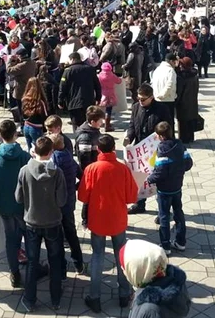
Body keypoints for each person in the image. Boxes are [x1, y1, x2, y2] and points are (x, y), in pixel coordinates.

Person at [78, 134, 139, 313]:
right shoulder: (123, 169)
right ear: (114, 149)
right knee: (121, 257)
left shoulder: (91, 169)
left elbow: (82, 196)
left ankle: (95, 297)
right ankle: (123, 294)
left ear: (98, 149)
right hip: (118, 219)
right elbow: (131, 197)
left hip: (97, 219)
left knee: (97, 255)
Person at [15, 136, 67, 312]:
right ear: (51, 152)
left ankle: (29, 300)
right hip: (53, 222)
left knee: (32, 261)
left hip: (31, 223)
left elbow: (18, 198)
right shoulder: (57, 173)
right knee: (55, 260)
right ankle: (56, 299)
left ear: (34, 151)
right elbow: (61, 201)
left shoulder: (24, 170)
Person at [0, 120, 31, 288]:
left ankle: (14, 273)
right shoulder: (24, 156)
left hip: (4, 206)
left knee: (11, 240)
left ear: (0, 136)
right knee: (29, 236)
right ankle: (33, 266)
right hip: (23, 206)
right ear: (15, 134)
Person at [125, 84, 174, 215]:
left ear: (151, 97)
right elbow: (132, 125)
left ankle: (163, 210)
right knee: (140, 179)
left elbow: (168, 128)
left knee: (158, 179)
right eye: (138, 98)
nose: (140, 101)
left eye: (143, 99)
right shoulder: (136, 107)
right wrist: (129, 137)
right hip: (141, 150)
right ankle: (139, 204)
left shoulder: (162, 109)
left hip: (157, 150)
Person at [147, 122, 193, 255]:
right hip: (177, 186)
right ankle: (181, 242)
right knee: (179, 213)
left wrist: (149, 180)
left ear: (160, 136)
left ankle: (165, 245)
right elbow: (188, 163)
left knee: (164, 216)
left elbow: (160, 172)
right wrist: (178, 171)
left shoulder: (161, 149)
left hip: (164, 190)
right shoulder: (180, 145)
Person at [119, 239, 191, 318]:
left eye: (125, 268)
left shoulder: (149, 310)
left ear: (138, 271)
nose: (123, 271)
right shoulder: (174, 281)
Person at [49, 133, 85, 278]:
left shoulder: (53, 161)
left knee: (57, 237)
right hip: (69, 202)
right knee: (71, 234)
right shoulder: (69, 157)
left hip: (56, 205)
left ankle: (61, 268)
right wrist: (74, 187)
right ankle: (79, 264)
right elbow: (82, 176)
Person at [58, 52, 102, 131]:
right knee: (89, 124)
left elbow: (62, 87)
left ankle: (79, 139)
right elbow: (97, 85)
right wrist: (98, 98)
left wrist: (60, 101)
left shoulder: (68, 71)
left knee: (76, 125)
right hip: (88, 101)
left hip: (73, 103)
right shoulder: (90, 69)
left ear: (72, 59)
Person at [174, 57, 199, 145]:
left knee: (182, 121)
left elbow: (179, 91)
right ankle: (191, 137)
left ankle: (183, 139)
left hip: (183, 102)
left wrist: (176, 101)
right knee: (191, 120)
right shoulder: (195, 75)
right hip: (192, 100)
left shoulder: (182, 77)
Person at [7, 47, 37, 117]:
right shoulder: (32, 62)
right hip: (30, 88)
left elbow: (9, 70)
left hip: (21, 90)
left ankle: (22, 124)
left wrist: (9, 61)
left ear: (20, 56)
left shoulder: (22, 65)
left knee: (22, 110)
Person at [75, 105, 106, 174]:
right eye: (100, 121)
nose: (102, 123)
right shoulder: (85, 138)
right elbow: (85, 160)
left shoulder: (94, 130)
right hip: (91, 171)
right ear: (92, 122)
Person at [21, 77, 48, 153]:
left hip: (26, 126)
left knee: (30, 149)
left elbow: (22, 113)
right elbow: (45, 116)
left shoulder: (24, 99)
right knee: (38, 151)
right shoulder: (40, 102)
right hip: (36, 128)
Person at [151, 53, 178, 121]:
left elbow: (152, 83)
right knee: (168, 123)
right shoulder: (171, 71)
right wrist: (163, 95)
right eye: (175, 62)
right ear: (171, 61)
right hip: (168, 100)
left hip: (157, 98)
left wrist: (156, 95)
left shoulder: (157, 69)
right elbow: (170, 85)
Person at [98, 62, 122, 132]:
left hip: (102, 94)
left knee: (101, 109)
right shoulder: (112, 75)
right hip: (111, 94)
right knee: (109, 110)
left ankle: (101, 122)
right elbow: (119, 81)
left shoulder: (100, 75)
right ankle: (107, 125)